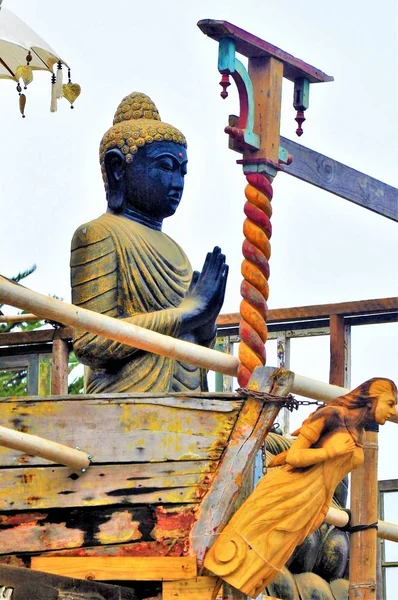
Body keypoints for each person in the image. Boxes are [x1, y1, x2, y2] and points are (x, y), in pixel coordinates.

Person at [71, 92, 228, 393]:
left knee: (275, 441)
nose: (178, 182)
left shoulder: (177, 252)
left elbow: (191, 340)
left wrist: (205, 322)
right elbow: (91, 344)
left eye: (183, 171)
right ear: (118, 168)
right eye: (166, 166)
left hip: (186, 400)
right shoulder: (98, 234)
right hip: (129, 400)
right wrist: (189, 313)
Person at [204, 377, 397, 598]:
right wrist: (329, 453)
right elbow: (295, 456)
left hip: (312, 503)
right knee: (250, 551)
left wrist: (322, 508)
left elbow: (332, 478)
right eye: (390, 403)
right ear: (371, 401)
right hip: (290, 491)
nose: (392, 411)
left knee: (267, 563)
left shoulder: (360, 434)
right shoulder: (331, 415)